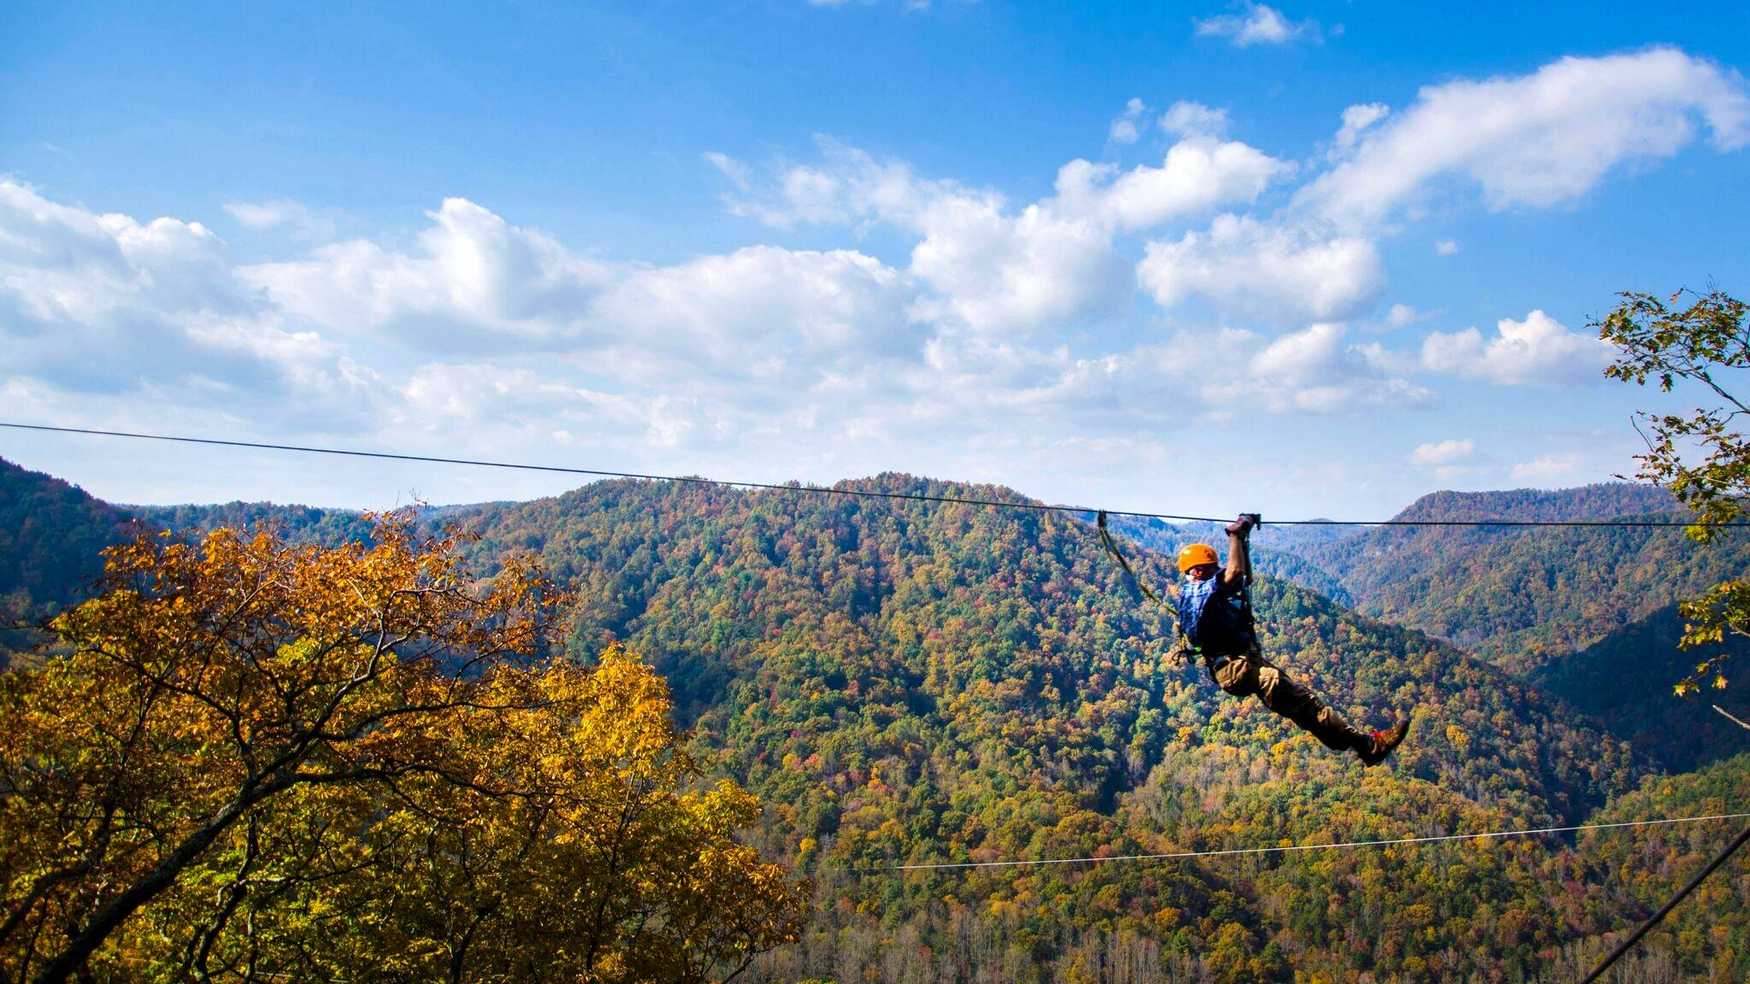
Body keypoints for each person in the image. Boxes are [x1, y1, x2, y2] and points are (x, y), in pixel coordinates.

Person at [1176, 514, 1411, 766]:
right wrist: (1235, 534)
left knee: (1304, 704)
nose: (1217, 573)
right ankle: (1368, 747)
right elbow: (1234, 574)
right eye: (1212, 569)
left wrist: (1242, 540)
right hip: (1237, 667)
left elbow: (1239, 577)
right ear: (1198, 570)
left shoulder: (1195, 594)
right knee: (1305, 706)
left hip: (1239, 665)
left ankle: (1365, 746)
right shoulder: (1199, 591)